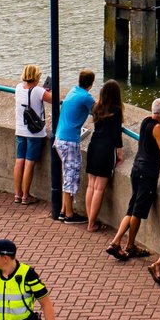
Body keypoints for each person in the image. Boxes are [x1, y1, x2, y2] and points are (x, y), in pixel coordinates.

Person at [112, 97, 160, 259]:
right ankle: (130, 245)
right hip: (147, 173)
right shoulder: (158, 127)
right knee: (138, 211)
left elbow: (154, 139)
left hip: (137, 168)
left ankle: (115, 242)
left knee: (132, 207)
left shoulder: (146, 121)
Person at [52, 69, 95, 222]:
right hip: (69, 140)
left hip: (60, 138)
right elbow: (99, 112)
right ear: (91, 83)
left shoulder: (73, 91)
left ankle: (64, 210)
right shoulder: (86, 97)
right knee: (71, 175)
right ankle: (69, 214)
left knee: (68, 173)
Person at [82, 79, 124, 233]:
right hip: (106, 150)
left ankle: (90, 220)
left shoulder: (96, 108)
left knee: (91, 185)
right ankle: (92, 224)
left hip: (94, 146)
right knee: (99, 188)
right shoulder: (116, 110)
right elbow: (116, 134)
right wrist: (120, 153)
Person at [12, 64, 48, 205]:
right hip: (34, 132)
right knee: (29, 163)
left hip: (20, 130)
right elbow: (54, 100)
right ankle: (26, 196)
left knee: (19, 161)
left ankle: (17, 194)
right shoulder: (39, 91)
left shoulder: (18, 87)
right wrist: (47, 91)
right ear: (37, 76)